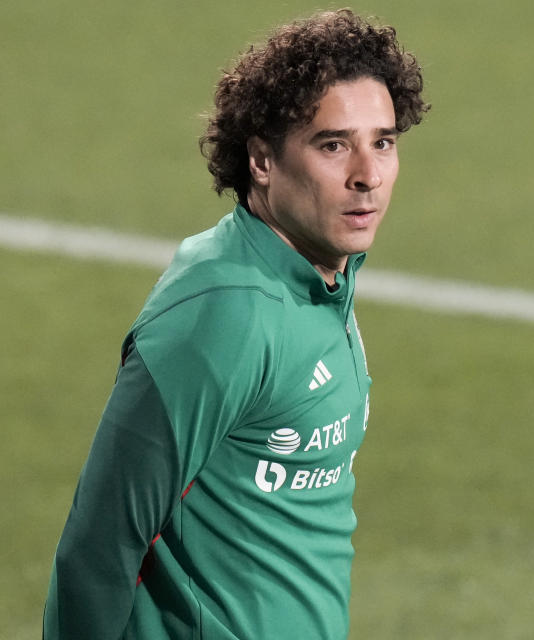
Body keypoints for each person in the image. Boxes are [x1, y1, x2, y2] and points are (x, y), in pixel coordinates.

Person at [43, 9, 429, 639]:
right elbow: (98, 545)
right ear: (262, 161)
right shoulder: (224, 316)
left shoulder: (321, 276)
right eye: (333, 145)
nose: (368, 175)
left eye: (382, 141)